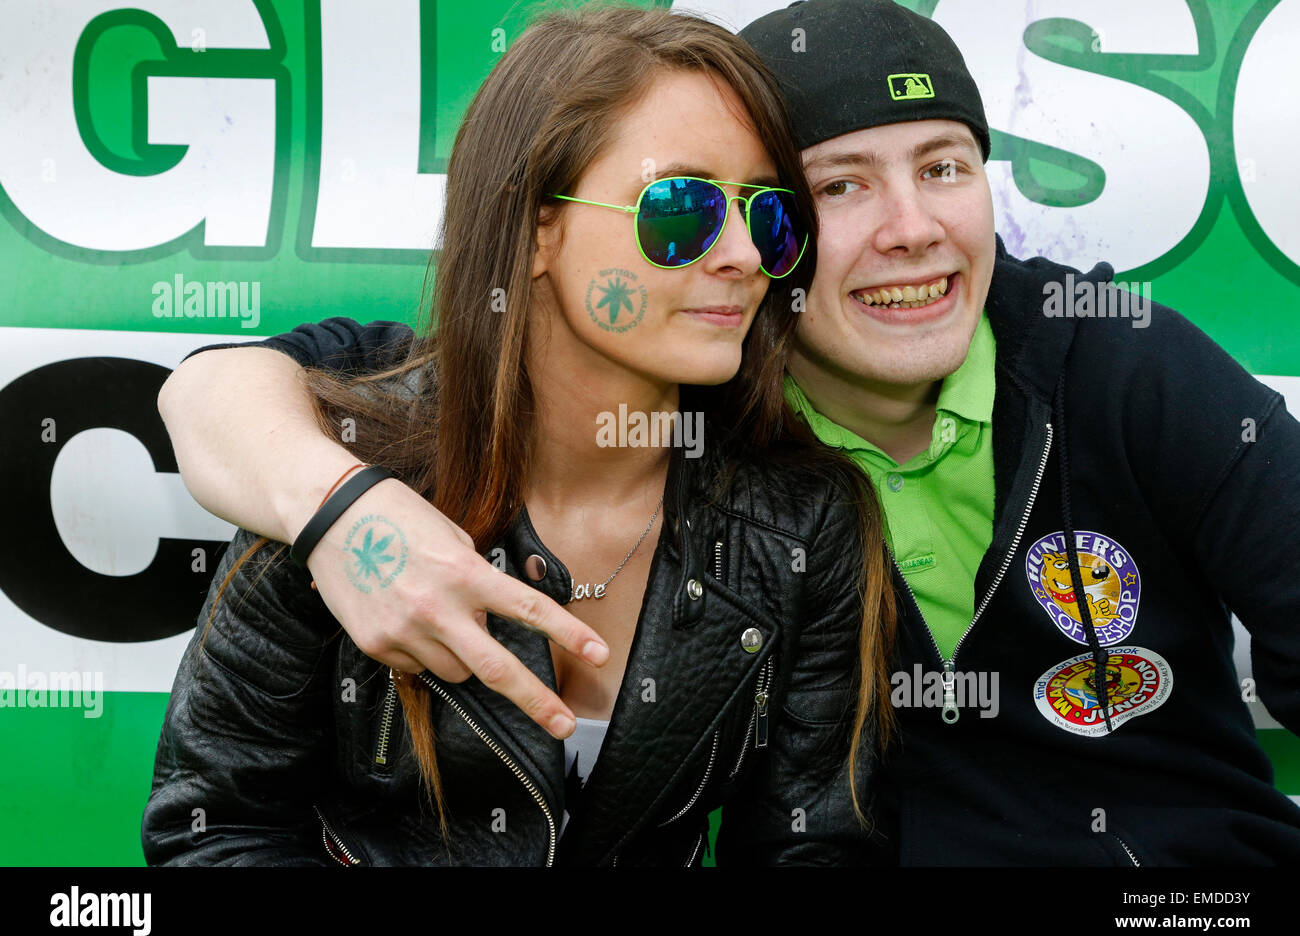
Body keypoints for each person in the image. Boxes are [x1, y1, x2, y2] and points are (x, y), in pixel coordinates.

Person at [157, 0, 1300, 865]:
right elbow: (231, 393)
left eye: (944, 168)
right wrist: (342, 511)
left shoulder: (1099, 368)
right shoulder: (365, 443)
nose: (911, 229)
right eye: (837, 187)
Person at [142, 3, 899, 867]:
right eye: (680, 207)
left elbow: (817, 849)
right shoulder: (334, 463)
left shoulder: (805, 523)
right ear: (539, 225)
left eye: (766, 213)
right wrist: (341, 516)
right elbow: (214, 834)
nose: (741, 254)